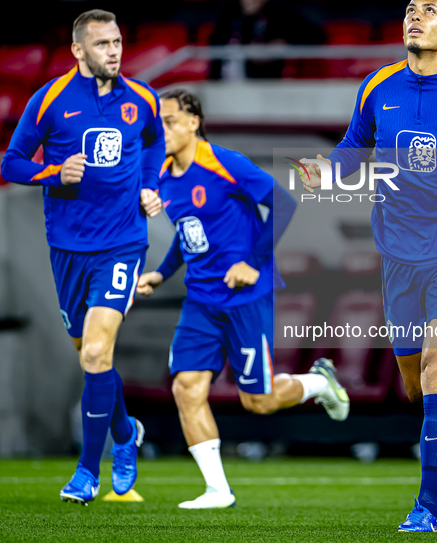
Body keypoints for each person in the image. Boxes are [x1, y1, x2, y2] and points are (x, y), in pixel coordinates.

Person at [300, 0, 437, 532]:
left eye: (429, 12)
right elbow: (354, 146)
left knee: (434, 367)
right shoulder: (377, 87)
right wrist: (326, 172)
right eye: (408, 11)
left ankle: (426, 509)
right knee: (418, 388)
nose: (415, 17)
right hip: (397, 254)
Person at [137, 89, 349, 509]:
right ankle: (218, 490)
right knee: (186, 388)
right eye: (158, 122)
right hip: (200, 301)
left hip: (245, 298)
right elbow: (188, 234)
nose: (163, 129)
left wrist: (253, 262)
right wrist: (161, 274)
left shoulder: (224, 162)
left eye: (171, 121)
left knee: (260, 401)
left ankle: (319, 383)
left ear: (194, 121)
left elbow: (284, 203)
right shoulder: (161, 174)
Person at [1, 9, 166, 505]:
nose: (113, 51)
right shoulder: (49, 100)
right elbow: (11, 162)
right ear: (78, 51)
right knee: (91, 356)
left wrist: (151, 186)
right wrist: (52, 172)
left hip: (122, 244)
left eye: (117, 42)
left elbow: (155, 145)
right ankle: (125, 431)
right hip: (68, 249)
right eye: (101, 44)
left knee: (96, 352)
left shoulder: (143, 99)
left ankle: (86, 473)